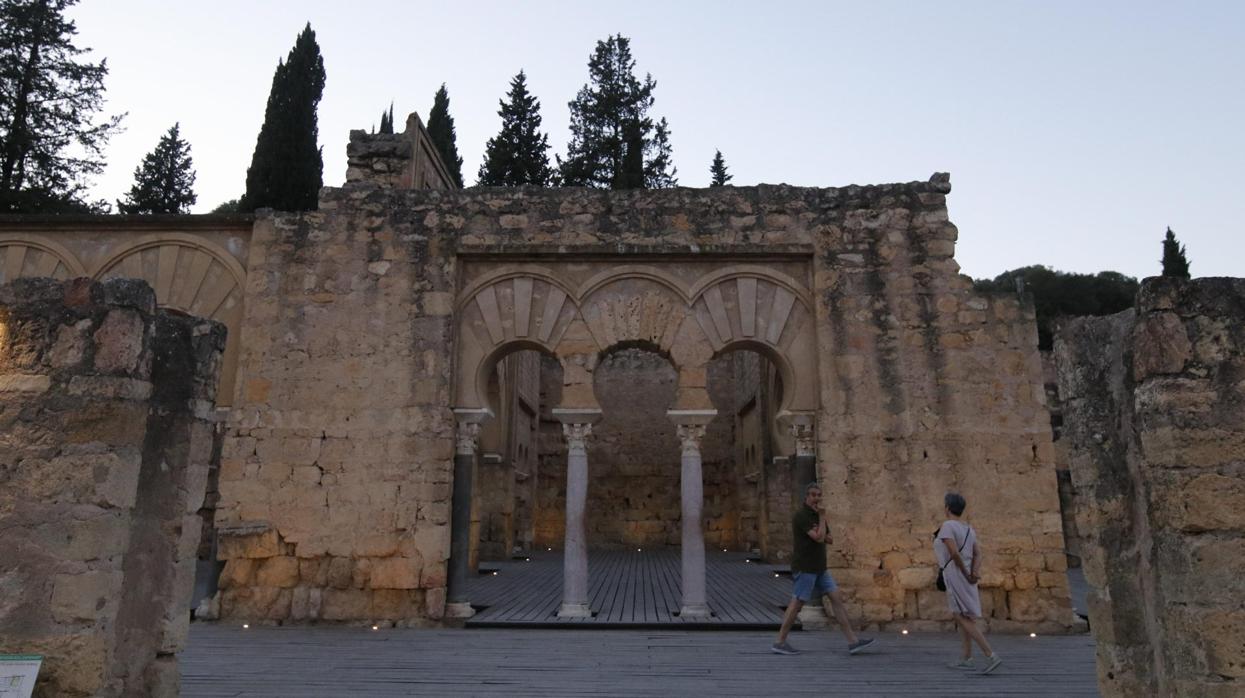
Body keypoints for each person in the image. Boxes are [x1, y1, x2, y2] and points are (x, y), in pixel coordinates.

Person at [771, 482, 875, 655]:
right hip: (805, 567)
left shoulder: (818, 516)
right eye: (813, 495)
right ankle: (780, 641)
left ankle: (853, 641)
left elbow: (830, 538)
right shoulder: (802, 516)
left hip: (820, 568)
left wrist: (821, 525)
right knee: (797, 603)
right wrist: (821, 521)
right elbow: (819, 538)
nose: (817, 498)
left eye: (819, 495)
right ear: (806, 497)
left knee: (836, 599)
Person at [936, 491, 1002, 675]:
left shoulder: (947, 526)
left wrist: (965, 573)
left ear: (947, 508)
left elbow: (954, 553)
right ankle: (966, 658)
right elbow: (978, 554)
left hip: (956, 575)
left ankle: (990, 654)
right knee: (965, 616)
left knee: (960, 616)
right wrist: (974, 572)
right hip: (967, 577)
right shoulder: (968, 529)